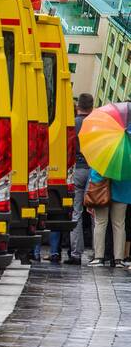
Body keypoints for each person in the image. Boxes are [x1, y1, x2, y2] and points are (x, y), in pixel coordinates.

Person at [68, 93, 94, 264]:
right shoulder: (96, 124)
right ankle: (96, 253)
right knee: (94, 213)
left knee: (75, 212)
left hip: (76, 170)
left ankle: (76, 253)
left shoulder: (72, 124)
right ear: (91, 107)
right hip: (93, 170)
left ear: (78, 106)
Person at [87, 169, 130, 267]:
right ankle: (118, 259)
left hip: (101, 192)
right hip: (122, 192)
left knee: (100, 223)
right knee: (119, 224)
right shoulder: (126, 156)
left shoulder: (103, 155)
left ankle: (99, 258)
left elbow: (95, 175)